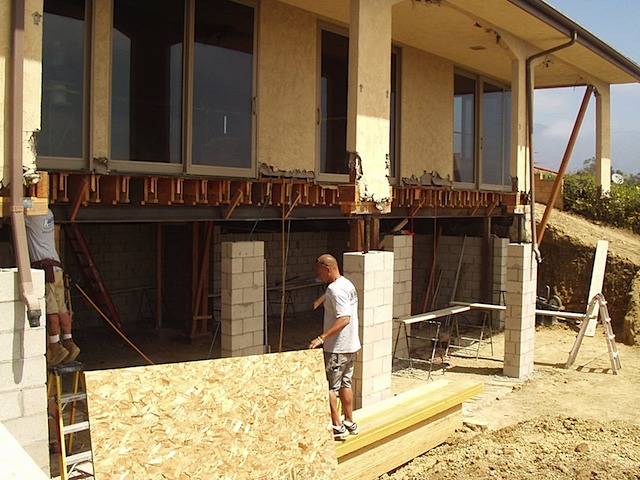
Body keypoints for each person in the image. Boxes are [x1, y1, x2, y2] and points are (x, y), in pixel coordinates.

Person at [308, 254, 361, 440]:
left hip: (337, 348)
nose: (318, 276)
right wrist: (321, 300)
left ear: (328, 269)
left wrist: (321, 338)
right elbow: (335, 293)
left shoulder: (334, 290)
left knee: (331, 386)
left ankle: (337, 425)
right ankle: (349, 421)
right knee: (346, 383)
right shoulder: (347, 284)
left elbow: (344, 318)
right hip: (351, 346)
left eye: (320, 272)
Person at [24, 209, 80, 365]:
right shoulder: (48, 213)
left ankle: (55, 346)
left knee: (51, 311)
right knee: (62, 308)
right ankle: (69, 341)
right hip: (56, 269)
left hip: (46, 271)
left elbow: (14, 213)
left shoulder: (33, 216)